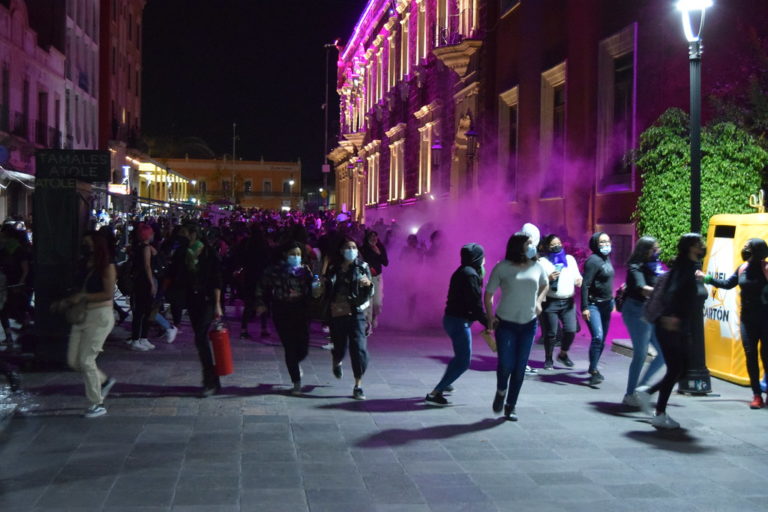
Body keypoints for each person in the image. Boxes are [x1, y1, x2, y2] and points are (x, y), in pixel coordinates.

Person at [637, 234, 708, 429]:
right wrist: (672, 316)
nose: (703, 246)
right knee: (677, 369)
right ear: (691, 247)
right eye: (699, 243)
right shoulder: (683, 269)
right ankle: (659, 412)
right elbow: (672, 293)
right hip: (671, 325)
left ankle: (649, 394)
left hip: (680, 324)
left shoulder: (689, 267)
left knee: (682, 369)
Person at [484, 233, 548, 421]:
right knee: (505, 364)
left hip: (529, 324)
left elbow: (545, 284)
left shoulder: (537, 266)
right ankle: (501, 391)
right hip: (506, 323)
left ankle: (511, 405)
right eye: (528, 244)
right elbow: (488, 294)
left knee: (520, 368)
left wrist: (539, 301)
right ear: (517, 246)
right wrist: (489, 318)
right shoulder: (502, 267)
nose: (532, 246)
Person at [703, 238, 768, 409]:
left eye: (749, 248)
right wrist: (707, 278)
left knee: (766, 356)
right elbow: (727, 284)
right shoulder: (742, 268)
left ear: (757, 251)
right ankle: (756, 395)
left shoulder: (766, 268)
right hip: (747, 319)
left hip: (765, 319)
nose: (745, 251)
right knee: (750, 354)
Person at [61, 231, 118, 418]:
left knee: (86, 360)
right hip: (82, 315)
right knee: (74, 361)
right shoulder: (84, 265)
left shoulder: (107, 267)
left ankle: (97, 403)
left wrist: (84, 296)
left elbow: (108, 294)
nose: (87, 247)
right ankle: (103, 381)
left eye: (89, 243)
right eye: (85, 243)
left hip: (100, 315)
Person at [425, 243, 488, 406]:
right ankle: (435, 393)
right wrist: (487, 322)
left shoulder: (462, 271)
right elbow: (475, 303)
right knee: (463, 361)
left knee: (459, 356)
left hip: (451, 319)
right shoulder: (470, 275)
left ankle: (446, 382)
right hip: (460, 322)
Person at [255, 242, 313, 395]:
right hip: (282, 310)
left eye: (298, 254)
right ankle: (296, 382)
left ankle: (296, 361)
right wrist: (261, 303)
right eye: (292, 254)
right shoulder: (274, 270)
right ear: (285, 255)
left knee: (303, 347)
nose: (296, 257)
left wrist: (317, 286)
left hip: (300, 310)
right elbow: (261, 287)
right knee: (290, 346)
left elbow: (312, 289)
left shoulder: (305, 271)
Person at [324, 237, 373, 400]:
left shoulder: (363, 267)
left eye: (354, 247)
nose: (351, 250)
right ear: (341, 250)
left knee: (358, 348)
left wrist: (368, 285)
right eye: (347, 247)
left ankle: (358, 385)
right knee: (340, 346)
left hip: (356, 312)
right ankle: (336, 360)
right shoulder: (333, 268)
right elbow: (326, 288)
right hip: (337, 312)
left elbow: (370, 292)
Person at [622, 237, 666, 407]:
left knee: (663, 354)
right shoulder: (636, 267)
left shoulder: (655, 266)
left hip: (651, 310)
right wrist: (665, 293)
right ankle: (630, 394)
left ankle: (641, 389)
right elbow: (643, 289)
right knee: (641, 353)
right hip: (636, 311)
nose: (657, 251)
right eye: (653, 249)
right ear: (644, 250)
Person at [181, 224, 224, 397]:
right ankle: (214, 378)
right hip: (193, 301)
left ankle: (209, 380)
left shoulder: (208, 253)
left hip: (208, 301)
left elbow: (217, 280)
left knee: (201, 337)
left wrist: (218, 305)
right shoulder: (186, 253)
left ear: (193, 234)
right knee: (200, 341)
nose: (182, 237)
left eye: (184, 233)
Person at [537, 234, 582, 369]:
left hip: (568, 302)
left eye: (558, 243)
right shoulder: (543, 262)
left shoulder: (570, 259)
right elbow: (538, 282)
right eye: (552, 245)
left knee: (571, 330)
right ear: (547, 247)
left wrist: (579, 280)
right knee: (551, 333)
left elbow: (577, 276)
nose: (556, 246)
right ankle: (548, 358)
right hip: (550, 302)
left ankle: (563, 354)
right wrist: (548, 278)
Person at [581, 232, 615, 387]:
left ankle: (593, 366)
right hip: (594, 305)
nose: (606, 244)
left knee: (601, 341)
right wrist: (585, 307)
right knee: (598, 337)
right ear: (595, 244)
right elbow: (585, 285)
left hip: (606, 305)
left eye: (607, 241)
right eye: (602, 242)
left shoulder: (606, 259)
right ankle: (593, 371)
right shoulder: (593, 261)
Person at [127, 224, 157, 352]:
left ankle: (142, 338)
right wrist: (152, 283)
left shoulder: (139, 247)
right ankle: (137, 339)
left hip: (139, 281)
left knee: (144, 311)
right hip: (143, 282)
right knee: (142, 311)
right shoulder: (145, 248)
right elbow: (147, 266)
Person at [360, 229, 388, 334]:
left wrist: (378, 253)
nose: (373, 238)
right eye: (371, 236)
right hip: (366, 278)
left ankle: (374, 316)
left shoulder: (380, 247)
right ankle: (368, 325)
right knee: (368, 302)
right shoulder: (363, 249)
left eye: (375, 236)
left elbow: (385, 263)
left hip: (377, 277)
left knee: (377, 303)